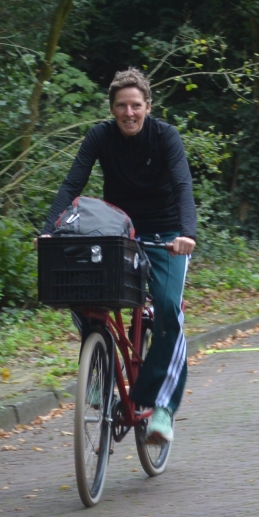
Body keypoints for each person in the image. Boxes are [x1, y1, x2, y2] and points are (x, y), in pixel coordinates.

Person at [45, 69, 196, 443]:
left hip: (166, 236)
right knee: (84, 297)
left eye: (136, 105)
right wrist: (49, 229)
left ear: (148, 106)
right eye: (122, 106)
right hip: (117, 234)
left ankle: (162, 406)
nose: (129, 113)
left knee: (167, 310)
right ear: (112, 109)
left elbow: (182, 185)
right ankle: (101, 370)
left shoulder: (165, 136)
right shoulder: (100, 136)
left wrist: (187, 234)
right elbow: (73, 182)